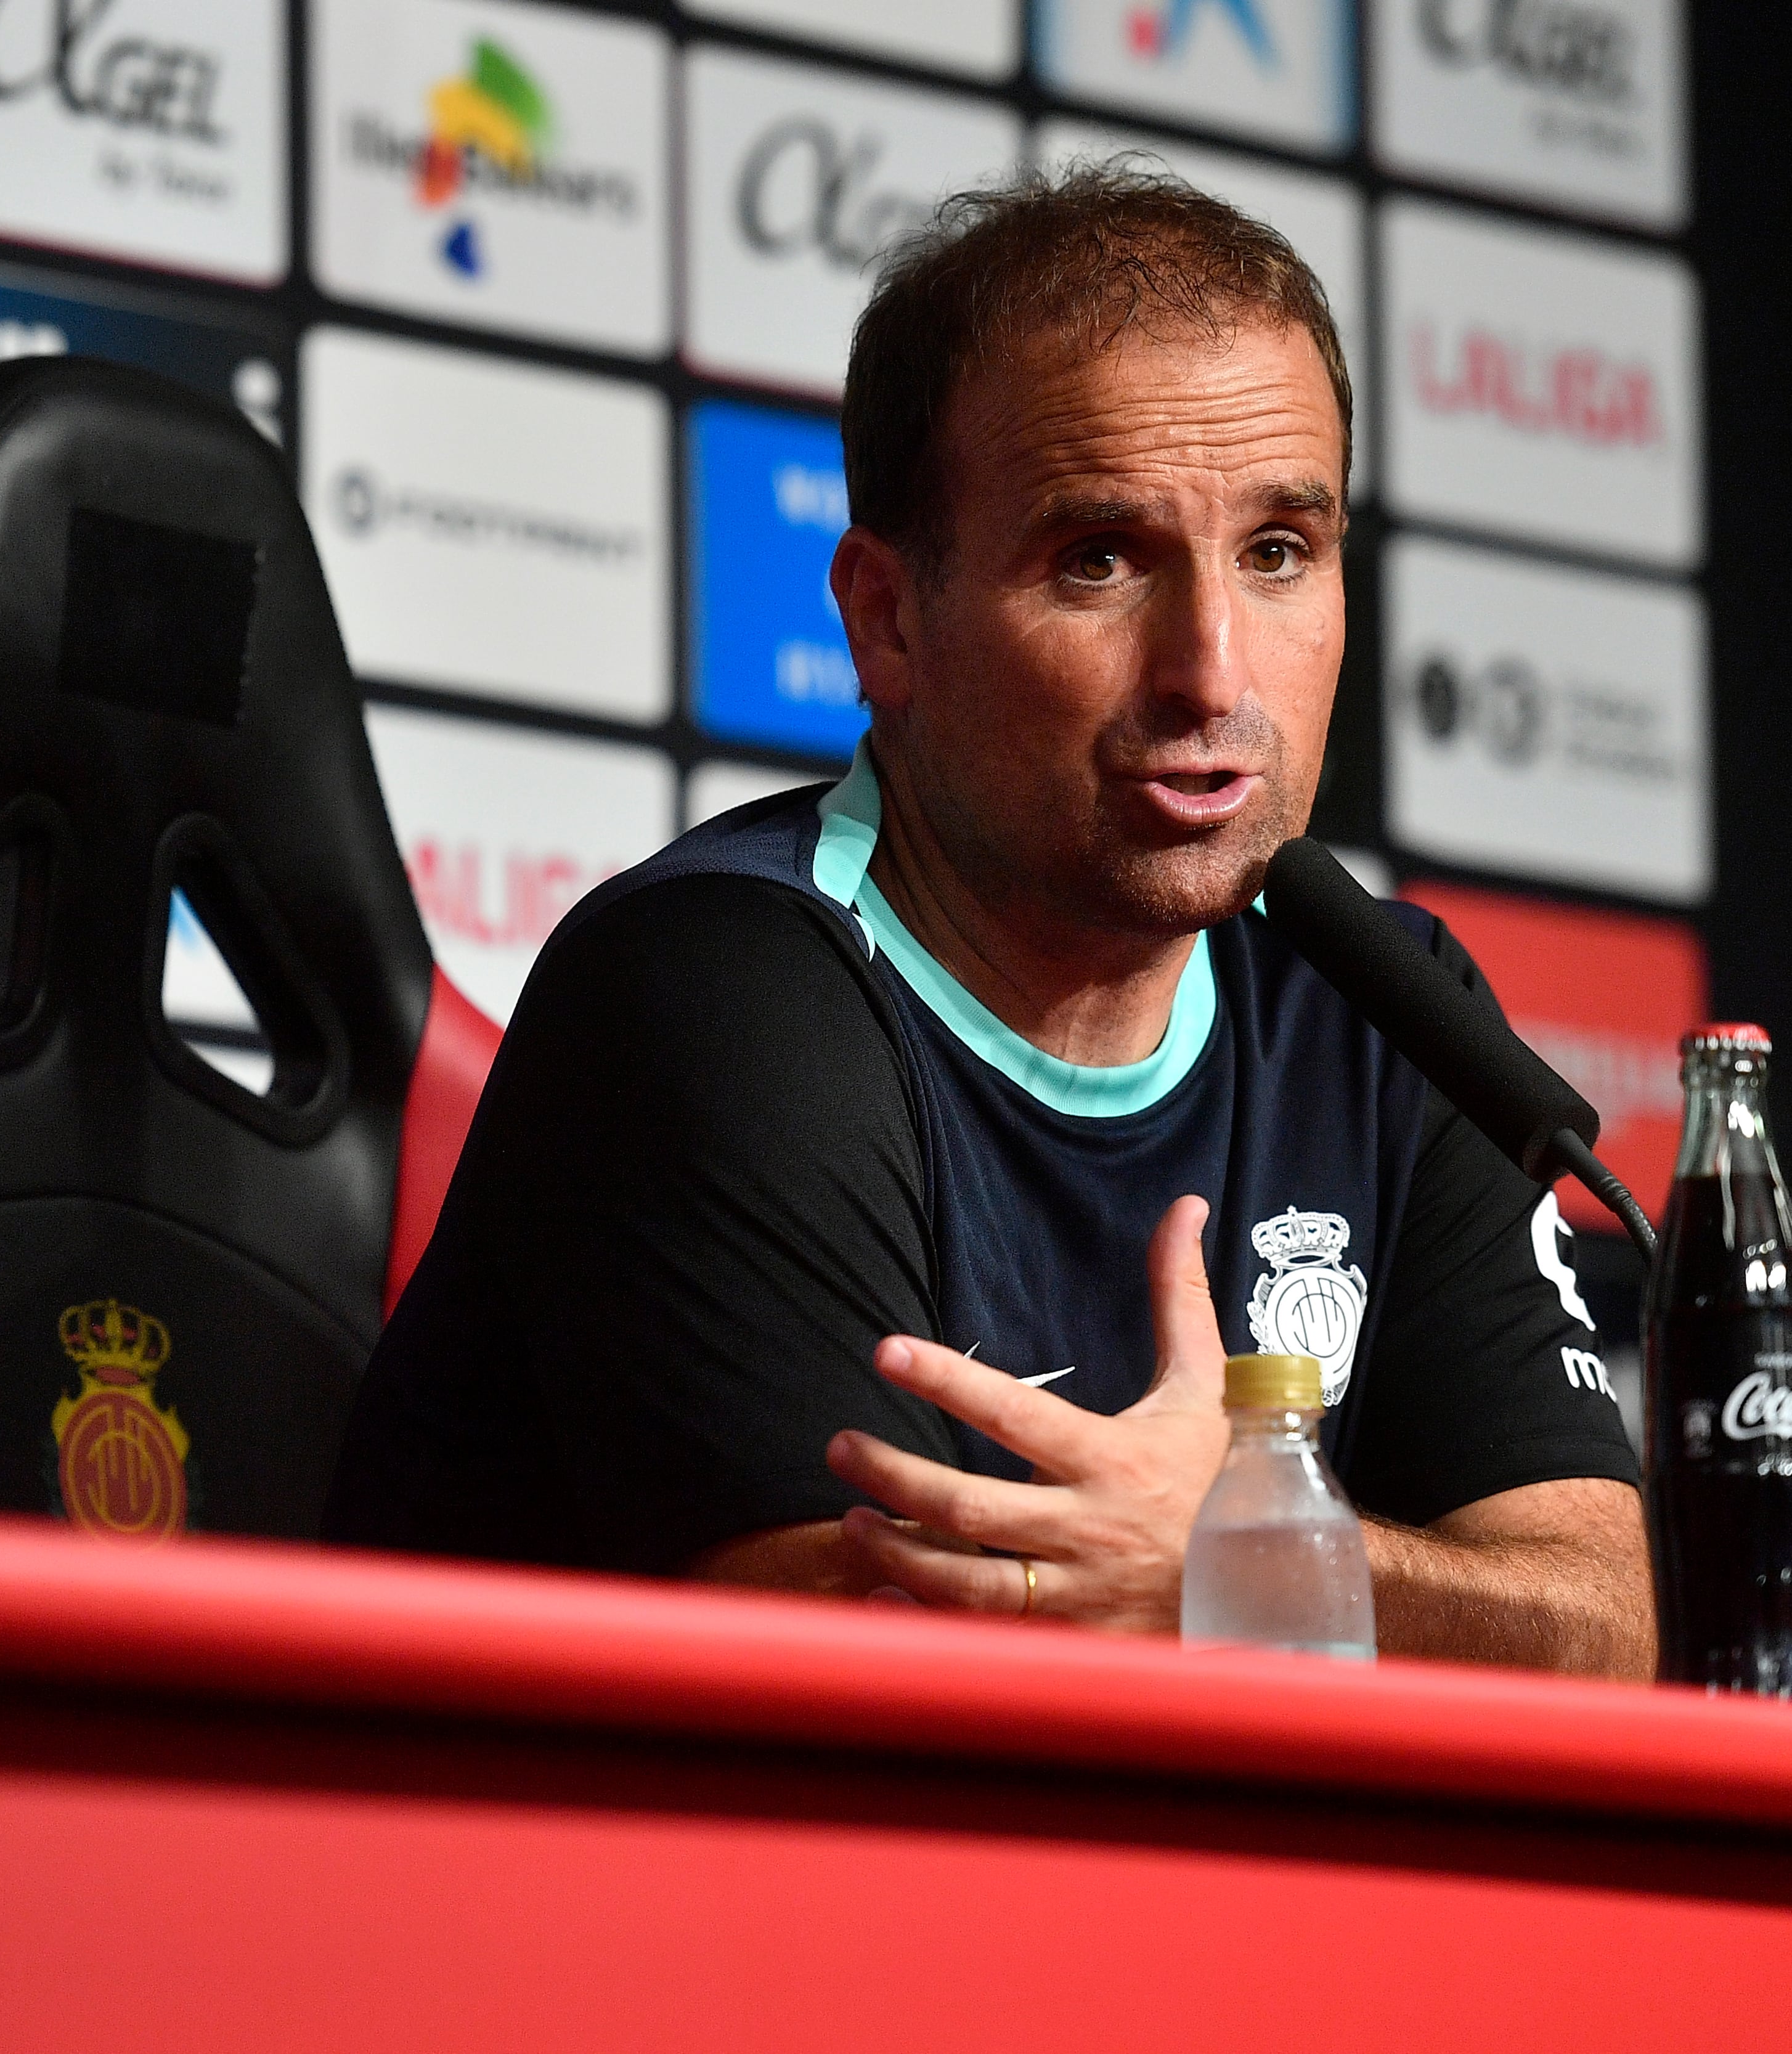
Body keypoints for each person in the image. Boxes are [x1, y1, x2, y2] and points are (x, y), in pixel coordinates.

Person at [323, 162, 1653, 1679]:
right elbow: (864, 1695)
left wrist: (1258, 1559)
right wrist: (1264, 1583)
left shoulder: (1383, 1012)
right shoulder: (717, 994)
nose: (1213, 673)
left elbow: (1603, 1629)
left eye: (1278, 551)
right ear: (887, 620)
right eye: (1099, 559)